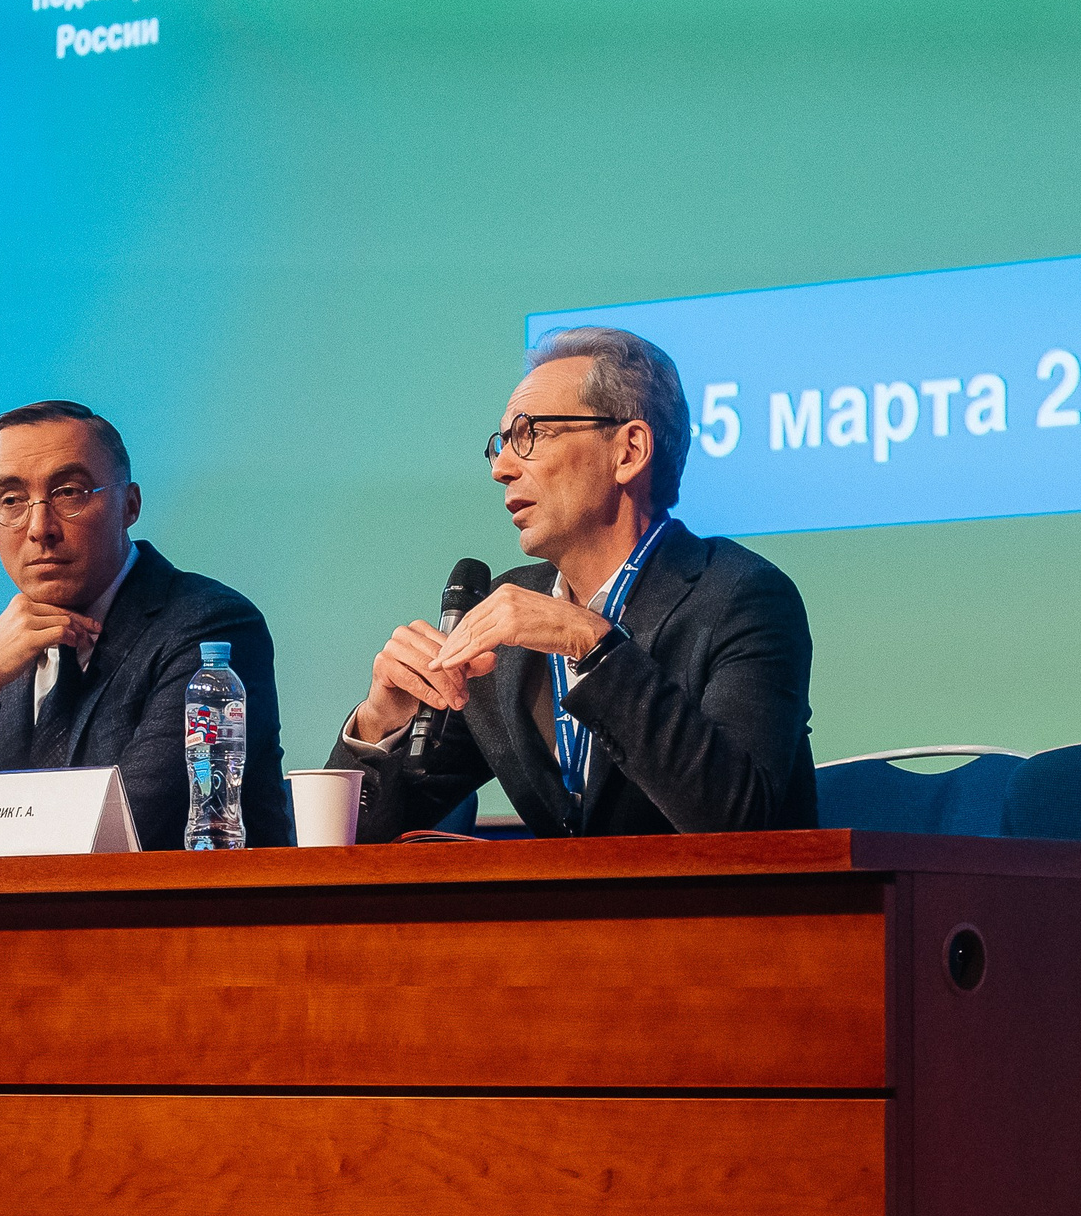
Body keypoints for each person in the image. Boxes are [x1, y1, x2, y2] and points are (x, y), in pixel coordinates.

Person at [331, 327, 815, 839]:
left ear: (628, 451)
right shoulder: (507, 618)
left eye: (530, 434)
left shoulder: (743, 598)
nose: (501, 467)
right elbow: (350, 842)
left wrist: (592, 644)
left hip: (725, 915)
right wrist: (378, 724)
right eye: (501, 443)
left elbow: (738, 820)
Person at [0, 400, 289, 849]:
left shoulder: (208, 626)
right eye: (11, 501)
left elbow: (129, 832)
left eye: (69, 493)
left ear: (129, 505)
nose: (39, 528)